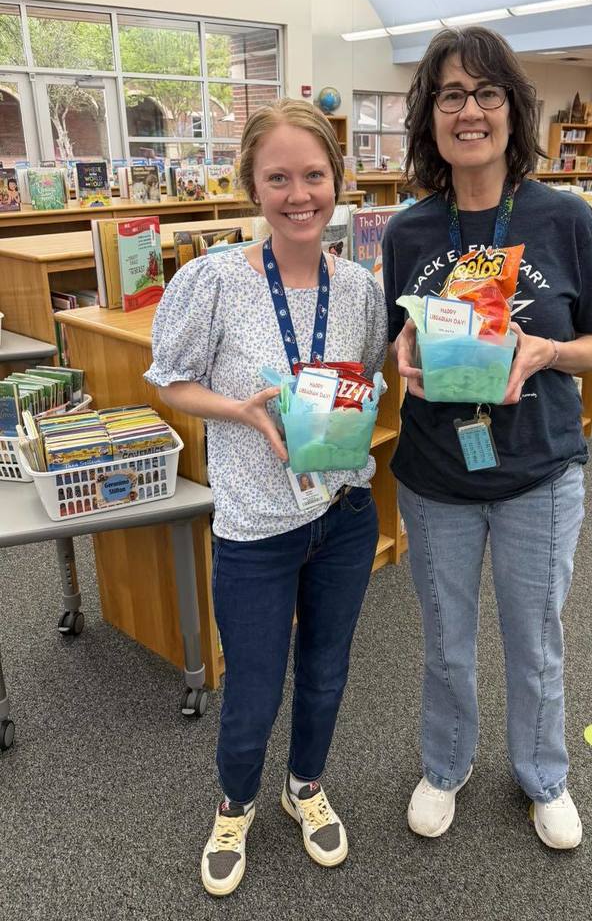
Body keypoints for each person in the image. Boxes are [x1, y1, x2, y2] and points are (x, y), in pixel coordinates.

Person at [382, 26, 592, 850]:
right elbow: (396, 337)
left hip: (537, 473)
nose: (470, 110)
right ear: (431, 116)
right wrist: (399, 350)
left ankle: (541, 776)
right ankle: (444, 766)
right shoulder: (410, 231)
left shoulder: (562, 218)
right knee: (447, 643)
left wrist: (548, 350)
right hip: (435, 473)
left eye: (487, 93)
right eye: (450, 95)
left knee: (535, 640)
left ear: (514, 112)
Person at [145, 100, 387, 895]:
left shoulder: (358, 285)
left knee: (325, 670)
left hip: (345, 514)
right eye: (277, 177)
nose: (298, 195)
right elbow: (170, 382)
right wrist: (240, 408)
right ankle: (235, 803)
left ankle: (305, 787)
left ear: (336, 182)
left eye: (313, 175)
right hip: (255, 523)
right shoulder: (210, 279)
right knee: (252, 682)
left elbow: (370, 371)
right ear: (253, 184)